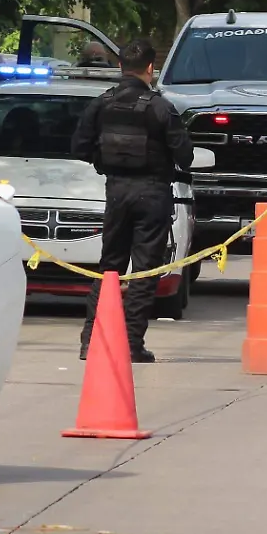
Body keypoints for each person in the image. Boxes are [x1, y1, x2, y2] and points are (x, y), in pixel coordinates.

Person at [70, 38, 193, 363]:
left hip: (117, 191)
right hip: (152, 193)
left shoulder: (101, 103)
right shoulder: (160, 107)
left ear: (121, 66)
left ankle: (90, 340)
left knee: (109, 266)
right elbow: (186, 155)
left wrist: (106, 161)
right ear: (150, 69)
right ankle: (131, 343)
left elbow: (79, 147)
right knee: (143, 271)